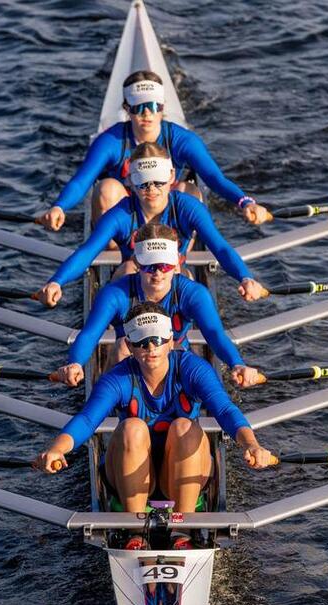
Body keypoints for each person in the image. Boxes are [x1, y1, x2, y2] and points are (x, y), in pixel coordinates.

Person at [34, 302, 274, 529]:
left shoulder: (193, 368)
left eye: (158, 339)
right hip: (127, 473)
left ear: (171, 341)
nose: (151, 347)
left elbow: (224, 410)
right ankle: (133, 530)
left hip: (182, 470)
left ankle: (184, 530)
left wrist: (251, 445)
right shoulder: (118, 378)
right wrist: (58, 449)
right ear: (129, 345)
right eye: (142, 341)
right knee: (132, 428)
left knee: (184, 427)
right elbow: (87, 419)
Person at [34, 143, 269, 307]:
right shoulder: (122, 213)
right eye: (144, 184)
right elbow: (87, 252)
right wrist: (57, 281)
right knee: (126, 271)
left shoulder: (188, 207)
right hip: (135, 274)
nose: (152, 190)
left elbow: (221, 248)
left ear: (171, 177)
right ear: (131, 182)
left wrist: (245, 278)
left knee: (180, 277)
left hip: (174, 273)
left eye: (158, 182)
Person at [36, 70, 272, 232]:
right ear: (127, 109)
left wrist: (245, 202)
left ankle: (174, 262)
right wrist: (60, 207)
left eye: (153, 106)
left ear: (162, 108)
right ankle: (117, 259)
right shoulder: (110, 140)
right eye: (139, 107)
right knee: (105, 188)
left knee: (189, 191)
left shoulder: (183, 140)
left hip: (164, 214)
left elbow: (215, 179)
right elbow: (81, 182)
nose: (147, 114)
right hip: (123, 219)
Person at [56, 223, 261, 389]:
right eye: (150, 265)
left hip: (173, 357)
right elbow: (90, 334)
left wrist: (237, 363)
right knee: (121, 348)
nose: (158, 273)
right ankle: (118, 406)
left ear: (177, 262)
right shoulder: (115, 294)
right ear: (136, 262)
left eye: (165, 265)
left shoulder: (193, 293)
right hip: (130, 361)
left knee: (184, 357)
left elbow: (215, 335)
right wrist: (75, 362)